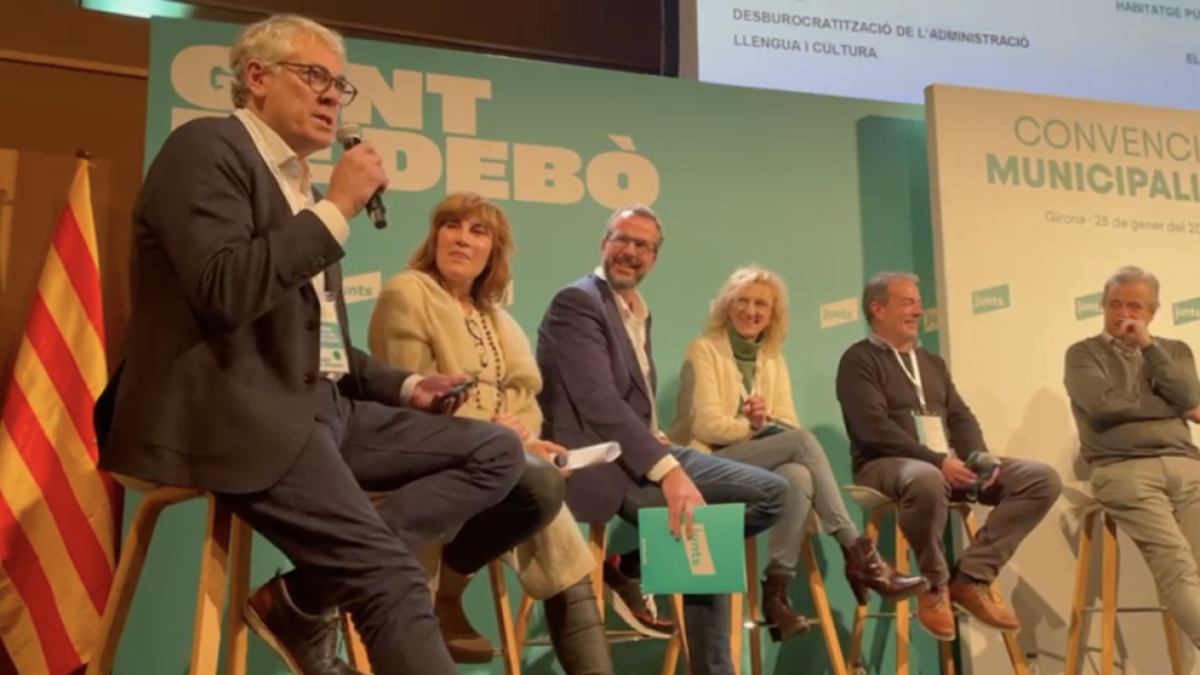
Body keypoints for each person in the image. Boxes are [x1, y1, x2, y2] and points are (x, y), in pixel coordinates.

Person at [91, 15, 525, 675]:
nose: (331, 95)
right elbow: (222, 289)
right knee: (391, 579)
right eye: (314, 75)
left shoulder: (303, 186)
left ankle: (301, 595)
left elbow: (320, 345)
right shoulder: (207, 149)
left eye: (340, 85)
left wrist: (407, 386)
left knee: (499, 450)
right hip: (234, 412)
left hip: (321, 410)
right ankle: (347, 572)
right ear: (256, 78)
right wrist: (338, 210)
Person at [366, 191, 617, 674]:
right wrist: (503, 438)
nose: (462, 239)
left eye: (477, 231)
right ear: (435, 235)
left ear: (493, 251)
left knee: (559, 530)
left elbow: (523, 399)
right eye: (452, 226)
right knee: (541, 488)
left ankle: (453, 592)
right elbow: (412, 396)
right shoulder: (409, 292)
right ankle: (450, 589)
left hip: (500, 464)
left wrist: (526, 436)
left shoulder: (496, 318)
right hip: (430, 461)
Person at [535, 205, 789, 675]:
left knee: (761, 497)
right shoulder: (578, 302)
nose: (631, 252)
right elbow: (598, 403)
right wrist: (668, 469)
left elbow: (631, 405)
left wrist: (660, 449)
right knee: (738, 506)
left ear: (655, 257)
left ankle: (630, 566)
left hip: (643, 451)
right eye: (622, 239)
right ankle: (710, 663)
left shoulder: (635, 311)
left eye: (643, 246)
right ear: (603, 243)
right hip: (601, 462)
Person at [669, 265, 926, 640]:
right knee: (803, 443)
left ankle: (777, 593)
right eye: (743, 301)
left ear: (773, 316)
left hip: (755, 463)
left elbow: (786, 422)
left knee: (797, 474)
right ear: (727, 306)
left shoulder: (772, 358)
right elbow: (706, 426)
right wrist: (755, 426)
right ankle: (858, 553)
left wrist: (764, 424)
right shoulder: (704, 349)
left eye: (762, 304)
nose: (751, 311)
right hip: (705, 464)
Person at [834, 271, 1061, 641]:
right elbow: (872, 429)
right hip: (882, 466)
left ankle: (971, 578)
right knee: (926, 477)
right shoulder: (858, 361)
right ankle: (933, 584)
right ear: (877, 309)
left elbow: (958, 415)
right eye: (908, 302)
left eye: (918, 302)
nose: (918, 310)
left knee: (1041, 478)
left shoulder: (931, 362)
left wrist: (978, 457)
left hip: (943, 465)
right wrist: (937, 460)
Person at [1064, 265, 1200, 649]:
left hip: (1188, 465)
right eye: (1115, 305)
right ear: (1104, 307)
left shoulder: (1173, 351)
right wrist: (1172, 407)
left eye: (1135, 307)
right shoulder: (1082, 353)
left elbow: (1189, 396)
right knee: (1178, 565)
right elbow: (1103, 406)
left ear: (1152, 313)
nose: (1124, 314)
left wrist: (1149, 348)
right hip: (1123, 468)